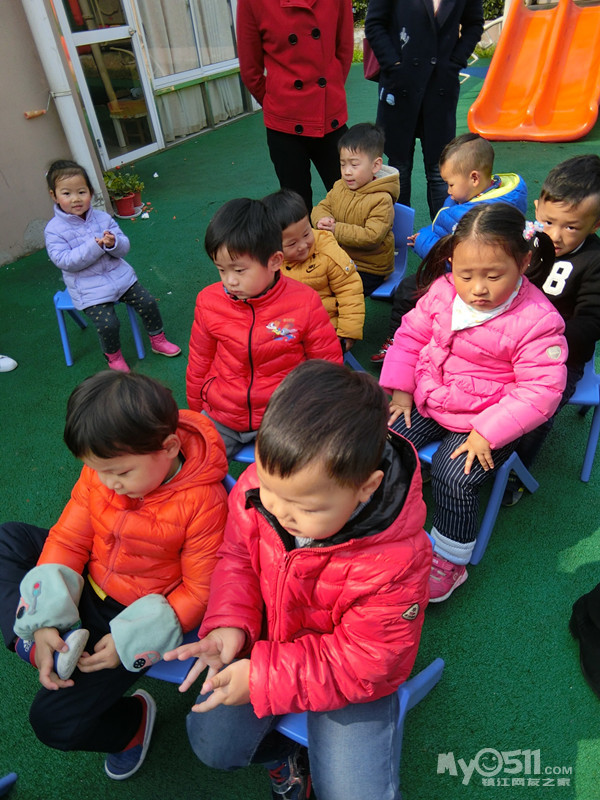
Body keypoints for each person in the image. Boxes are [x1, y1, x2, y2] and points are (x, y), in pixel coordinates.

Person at [165, 359, 432, 800]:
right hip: (269, 642)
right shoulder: (269, 482)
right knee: (211, 743)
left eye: (307, 508)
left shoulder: (397, 559)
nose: (279, 511)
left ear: (366, 488)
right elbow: (237, 557)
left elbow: (368, 663)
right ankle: (285, 757)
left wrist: (262, 678)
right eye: (270, 490)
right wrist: (230, 622)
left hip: (349, 678)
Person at [0, 371, 228, 780]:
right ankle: (34, 640)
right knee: (7, 541)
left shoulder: (204, 502)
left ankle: (133, 725)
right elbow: (69, 538)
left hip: (131, 615)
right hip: (88, 577)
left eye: (120, 473)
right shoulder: (104, 471)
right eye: (96, 470)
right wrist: (45, 613)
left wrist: (129, 642)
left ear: (169, 447)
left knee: (52, 723)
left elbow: (199, 591)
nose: (109, 484)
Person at [380, 203, 567, 601]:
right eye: (465, 274)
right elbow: (410, 336)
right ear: (452, 263)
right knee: (382, 440)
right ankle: (385, 518)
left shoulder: (538, 320)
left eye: (493, 276)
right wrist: (402, 388)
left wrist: (487, 432)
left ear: (524, 262)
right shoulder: (443, 291)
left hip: (487, 418)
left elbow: (540, 391)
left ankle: (450, 559)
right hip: (431, 396)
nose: (477, 288)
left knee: (455, 475)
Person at [186, 198, 343, 460]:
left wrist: (322, 412)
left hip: (282, 415)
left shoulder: (304, 302)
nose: (230, 280)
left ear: (274, 261)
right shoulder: (208, 301)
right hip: (223, 413)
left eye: (239, 270)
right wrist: (196, 413)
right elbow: (199, 361)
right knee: (195, 463)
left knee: (294, 469)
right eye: (221, 270)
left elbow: (326, 364)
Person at [371, 132, 528, 362]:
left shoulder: (477, 213)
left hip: (463, 276)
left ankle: (398, 343)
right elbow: (447, 229)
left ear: (474, 178)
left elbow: (455, 256)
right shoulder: (482, 195)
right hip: (463, 272)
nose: (448, 191)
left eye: (450, 184)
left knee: (407, 291)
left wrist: (423, 241)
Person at [504, 154, 600, 504]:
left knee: (537, 411)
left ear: (595, 224)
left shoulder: (594, 261)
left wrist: (543, 343)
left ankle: (516, 472)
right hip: (508, 342)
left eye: (571, 227)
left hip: (560, 358)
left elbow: (591, 322)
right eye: (548, 221)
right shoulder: (527, 239)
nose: (555, 236)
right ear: (536, 209)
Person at [44, 160, 180, 372]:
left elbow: (124, 247)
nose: (76, 199)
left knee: (148, 302)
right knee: (108, 323)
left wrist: (113, 243)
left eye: (81, 192)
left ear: (90, 192)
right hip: (88, 289)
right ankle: (114, 357)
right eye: (67, 193)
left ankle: (158, 339)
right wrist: (95, 246)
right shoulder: (54, 230)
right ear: (54, 196)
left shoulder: (102, 218)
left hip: (121, 279)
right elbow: (64, 261)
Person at [365, 0, 484, 220]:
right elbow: (374, 23)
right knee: (399, 167)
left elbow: (474, 24)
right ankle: (398, 236)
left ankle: (443, 235)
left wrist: (455, 60)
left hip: (440, 86)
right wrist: (393, 63)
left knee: (440, 169)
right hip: (400, 86)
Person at [236, 0, 354, 214]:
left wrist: (329, 93)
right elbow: (250, 70)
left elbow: (344, 50)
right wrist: (278, 104)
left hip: (330, 117)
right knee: (297, 213)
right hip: (284, 126)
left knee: (350, 204)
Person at [262, 188, 365, 353]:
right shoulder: (267, 260)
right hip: (285, 326)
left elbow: (349, 289)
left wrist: (347, 332)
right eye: (292, 243)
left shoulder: (326, 251)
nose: (303, 245)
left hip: (325, 323)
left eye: (306, 234)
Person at [311, 123, 400, 297]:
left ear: (375, 166)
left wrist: (335, 229)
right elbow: (322, 207)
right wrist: (322, 219)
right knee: (310, 279)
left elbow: (372, 236)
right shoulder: (340, 186)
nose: (347, 172)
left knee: (341, 293)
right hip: (339, 257)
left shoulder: (382, 199)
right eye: (342, 164)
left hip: (369, 267)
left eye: (354, 164)